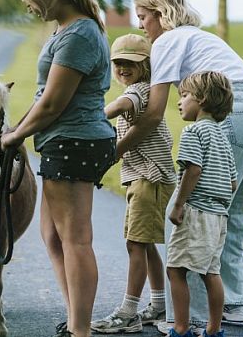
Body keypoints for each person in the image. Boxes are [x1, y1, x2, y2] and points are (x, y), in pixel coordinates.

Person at [116, 0, 243, 333]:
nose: (140, 25)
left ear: (160, 13)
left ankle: (188, 320)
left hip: (233, 117)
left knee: (190, 211)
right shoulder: (200, 38)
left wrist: (115, 151)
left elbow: (155, 112)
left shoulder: (169, 41)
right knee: (230, 209)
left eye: (143, 17)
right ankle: (234, 304)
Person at [0, 0, 116, 337]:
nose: (28, 7)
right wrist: (18, 128)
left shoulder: (80, 34)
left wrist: (15, 136)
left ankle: (81, 330)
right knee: (53, 236)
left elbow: (53, 103)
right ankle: (74, 319)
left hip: (74, 141)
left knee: (75, 239)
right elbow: (44, 96)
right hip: (65, 141)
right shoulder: (68, 32)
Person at [91, 34, 176, 333]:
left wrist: (94, 117)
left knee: (135, 244)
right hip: (145, 177)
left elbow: (122, 104)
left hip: (149, 178)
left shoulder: (141, 91)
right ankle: (158, 304)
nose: (124, 68)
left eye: (132, 63)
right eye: (119, 63)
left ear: (146, 66)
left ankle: (128, 311)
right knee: (145, 242)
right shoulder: (141, 88)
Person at [167, 71, 237, 337]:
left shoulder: (193, 131)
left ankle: (181, 329)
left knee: (176, 269)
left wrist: (178, 204)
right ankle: (213, 330)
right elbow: (232, 183)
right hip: (219, 216)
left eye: (184, 95)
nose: (180, 101)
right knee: (211, 272)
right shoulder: (222, 137)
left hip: (196, 211)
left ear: (203, 99)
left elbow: (192, 170)